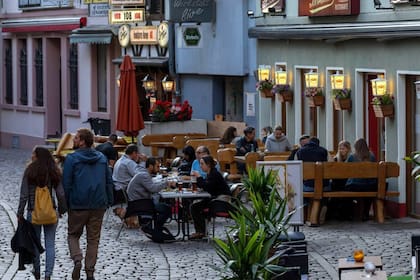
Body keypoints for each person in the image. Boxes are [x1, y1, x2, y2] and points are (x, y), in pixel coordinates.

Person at [62, 128, 113, 280]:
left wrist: (64, 204)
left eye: (76, 138)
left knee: (73, 235)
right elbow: (109, 181)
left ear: (83, 141)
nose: (74, 140)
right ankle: (90, 271)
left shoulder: (71, 159)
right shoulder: (102, 158)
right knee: (93, 239)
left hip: (78, 204)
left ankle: (77, 259)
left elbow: (66, 183)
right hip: (98, 204)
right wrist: (109, 200)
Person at [17, 146, 67, 280]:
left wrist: (20, 213)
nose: (31, 155)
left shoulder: (29, 171)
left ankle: (37, 272)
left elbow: (24, 195)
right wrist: (61, 210)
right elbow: (61, 194)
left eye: (33, 153)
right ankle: (48, 275)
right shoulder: (54, 172)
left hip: (33, 213)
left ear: (38, 156)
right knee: (50, 244)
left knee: (35, 244)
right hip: (51, 213)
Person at [126, 157, 174, 230]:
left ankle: (152, 227)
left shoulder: (144, 173)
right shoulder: (144, 175)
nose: (159, 169)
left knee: (163, 205)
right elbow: (153, 189)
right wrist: (166, 183)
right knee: (166, 209)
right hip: (139, 204)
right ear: (151, 166)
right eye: (157, 166)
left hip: (138, 201)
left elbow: (152, 186)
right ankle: (154, 228)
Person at [190, 156, 231, 239]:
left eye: (202, 164)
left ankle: (201, 232)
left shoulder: (214, 174)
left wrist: (199, 177)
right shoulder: (211, 173)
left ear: (208, 165)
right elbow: (207, 185)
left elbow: (207, 187)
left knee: (195, 207)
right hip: (216, 198)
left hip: (221, 201)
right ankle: (201, 231)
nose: (200, 166)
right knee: (195, 206)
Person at [345, 138, 377, 221]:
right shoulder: (372, 156)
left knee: (346, 193)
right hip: (370, 185)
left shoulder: (352, 157)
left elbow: (346, 171)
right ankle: (365, 214)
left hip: (354, 185)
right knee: (368, 195)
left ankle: (350, 214)